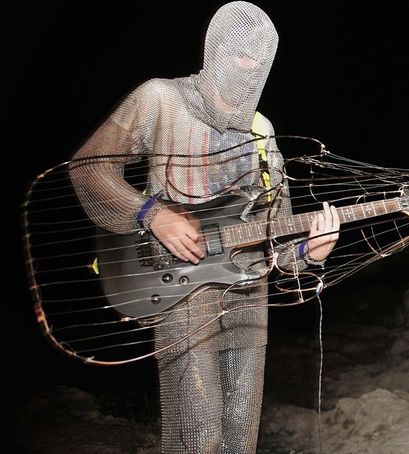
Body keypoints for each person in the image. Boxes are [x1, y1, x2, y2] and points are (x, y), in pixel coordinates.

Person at [68, 2, 340, 452]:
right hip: (183, 293)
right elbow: (89, 168)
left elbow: (277, 236)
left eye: (260, 57)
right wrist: (151, 213)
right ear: (215, 50)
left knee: (239, 433)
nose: (250, 66)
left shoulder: (262, 130)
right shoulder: (162, 99)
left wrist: (310, 252)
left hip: (250, 297)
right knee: (197, 431)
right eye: (240, 53)